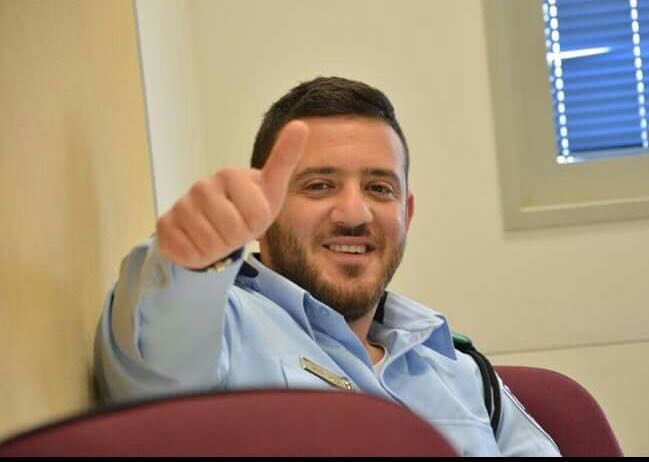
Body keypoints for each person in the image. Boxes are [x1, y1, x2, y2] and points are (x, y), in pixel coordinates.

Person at [95, 76, 561, 456]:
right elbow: (155, 380)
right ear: (264, 211)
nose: (355, 214)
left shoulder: (461, 369)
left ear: (407, 213)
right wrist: (188, 265)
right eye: (319, 186)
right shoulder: (219, 328)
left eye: (379, 188)